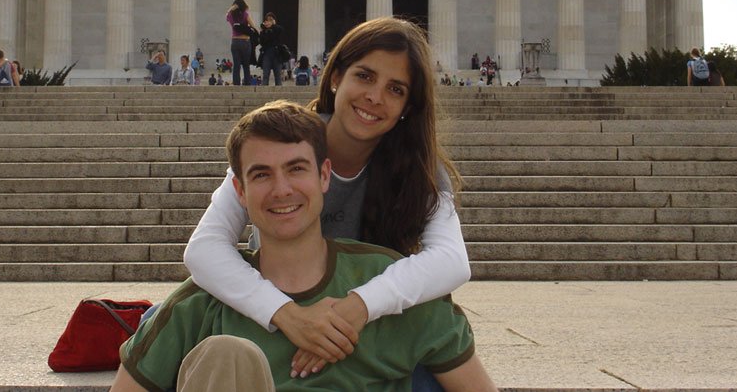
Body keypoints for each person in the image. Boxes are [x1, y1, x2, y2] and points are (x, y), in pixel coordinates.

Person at [112, 101, 496, 392]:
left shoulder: (395, 290)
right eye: (262, 174)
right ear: (240, 192)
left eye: (296, 168)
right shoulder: (200, 304)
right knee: (227, 354)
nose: (282, 190)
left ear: (325, 176)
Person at [184, 17, 471, 389]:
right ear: (335, 77)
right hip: (275, 310)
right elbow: (204, 249)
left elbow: (451, 262)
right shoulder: (284, 141)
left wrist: (356, 309)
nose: (375, 97)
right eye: (365, 76)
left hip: (370, 327)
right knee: (165, 327)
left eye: (396, 89)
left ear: (407, 108)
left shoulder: (418, 168)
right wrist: (287, 315)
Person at [226, 0, 257, 86]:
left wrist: (231, 8)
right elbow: (253, 26)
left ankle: (236, 84)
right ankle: (247, 83)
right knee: (246, 65)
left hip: (235, 41)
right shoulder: (245, 14)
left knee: (236, 65)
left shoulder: (231, 15)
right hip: (245, 41)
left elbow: (226, 15)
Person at [259, 12, 284, 86]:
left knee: (278, 76)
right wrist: (264, 30)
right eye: (267, 20)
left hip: (277, 54)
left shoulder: (278, 29)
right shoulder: (264, 31)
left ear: (274, 21)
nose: (268, 22)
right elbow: (262, 42)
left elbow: (280, 39)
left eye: (271, 20)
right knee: (265, 75)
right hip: (267, 54)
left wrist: (273, 27)